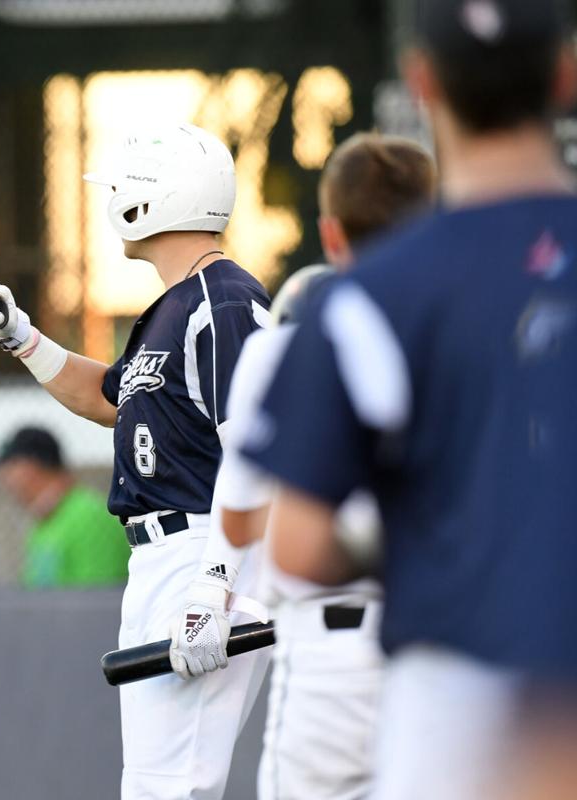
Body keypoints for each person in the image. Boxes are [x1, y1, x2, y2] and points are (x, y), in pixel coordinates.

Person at [241, 2, 577, 799]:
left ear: (421, 82)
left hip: (450, 702)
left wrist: (425, 534)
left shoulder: (363, 299)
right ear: (565, 75)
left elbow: (296, 545)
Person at [0, 123, 272, 799]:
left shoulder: (222, 301)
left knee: (173, 788)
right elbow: (106, 397)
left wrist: (213, 584)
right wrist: (17, 334)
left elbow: (256, 454)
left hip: (200, 548)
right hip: (167, 556)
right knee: (158, 786)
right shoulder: (179, 303)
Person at [207, 132, 435, 800]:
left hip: (332, 654)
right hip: (448, 651)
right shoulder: (476, 331)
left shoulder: (285, 348)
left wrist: (342, 511)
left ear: (331, 235)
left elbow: (243, 521)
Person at [0, 425, 130, 588]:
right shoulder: (43, 523)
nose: (4, 479)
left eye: (11, 467)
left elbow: (97, 599)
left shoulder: (88, 515)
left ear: (32, 466)